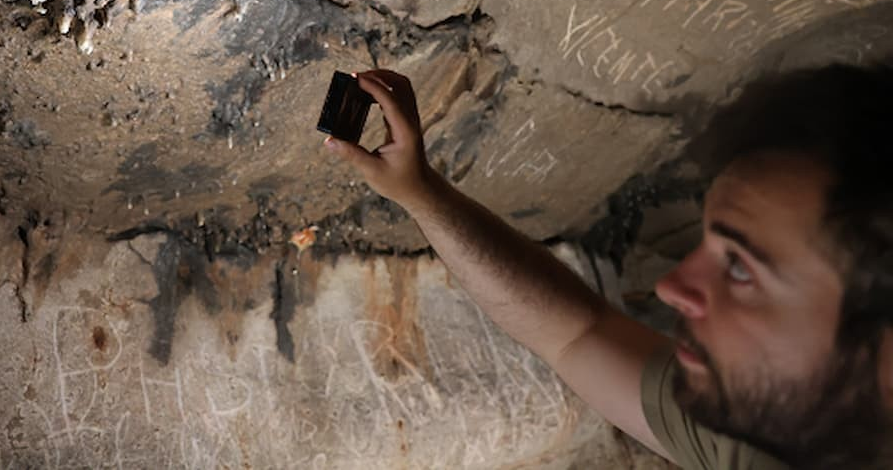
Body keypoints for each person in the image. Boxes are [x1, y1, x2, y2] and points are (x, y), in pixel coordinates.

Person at [323, 65, 893, 469]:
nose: (671, 287)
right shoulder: (775, 437)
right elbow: (575, 333)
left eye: (741, 270)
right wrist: (420, 192)